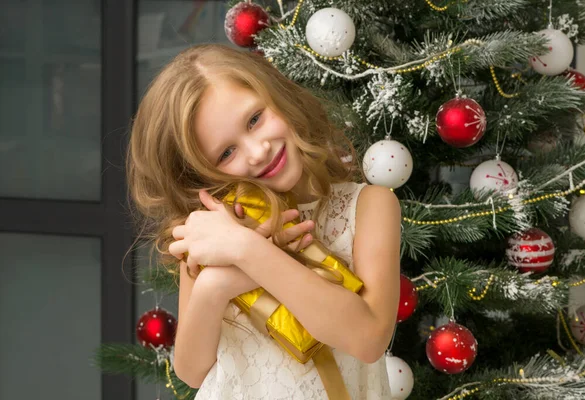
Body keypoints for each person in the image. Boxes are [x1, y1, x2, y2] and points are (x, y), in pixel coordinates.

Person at [127, 44, 401, 399]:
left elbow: (367, 339)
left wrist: (248, 251)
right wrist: (215, 287)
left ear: (278, 96)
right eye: (226, 152)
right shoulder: (215, 226)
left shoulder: (369, 206)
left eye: (255, 119)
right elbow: (192, 371)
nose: (258, 152)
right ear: (202, 173)